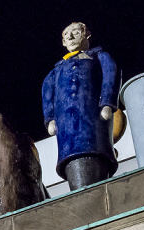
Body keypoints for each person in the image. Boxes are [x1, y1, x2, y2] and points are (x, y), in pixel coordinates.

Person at [42, 22, 119, 190]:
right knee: (71, 160)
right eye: (66, 35)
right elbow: (47, 90)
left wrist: (107, 103)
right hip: (67, 133)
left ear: (86, 34)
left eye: (75, 32)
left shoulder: (99, 57)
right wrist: (50, 118)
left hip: (92, 122)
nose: (70, 37)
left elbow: (110, 75)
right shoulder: (56, 70)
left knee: (96, 153)